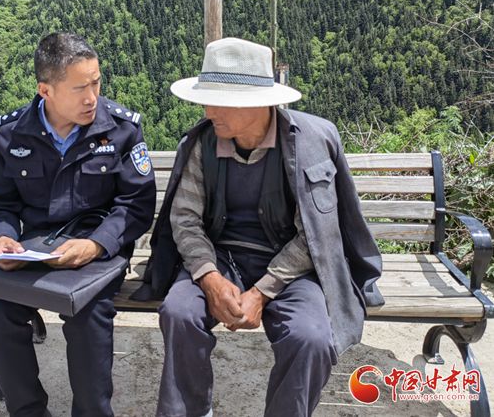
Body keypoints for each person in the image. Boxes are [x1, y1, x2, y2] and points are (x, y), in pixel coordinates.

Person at [133, 37, 384, 417]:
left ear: (256, 104)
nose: (207, 110)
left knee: (311, 338)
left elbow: (314, 233)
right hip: (219, 258)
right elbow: (185, 219)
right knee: (179, 312)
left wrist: (262, 292)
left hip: (293, 269)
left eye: (218, 101)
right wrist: (210, 279)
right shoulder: (203, 143)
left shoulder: (310, 143)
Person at [0, 32, 156, 417]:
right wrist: (2, 237)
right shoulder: (11, 134)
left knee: (88, 316)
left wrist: (95, 245)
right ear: (46, 90)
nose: (92, 97)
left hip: (98, 251)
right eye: (79, 88)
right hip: (36, 251)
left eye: (96, 83)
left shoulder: (120, 129)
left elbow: (136, 204)